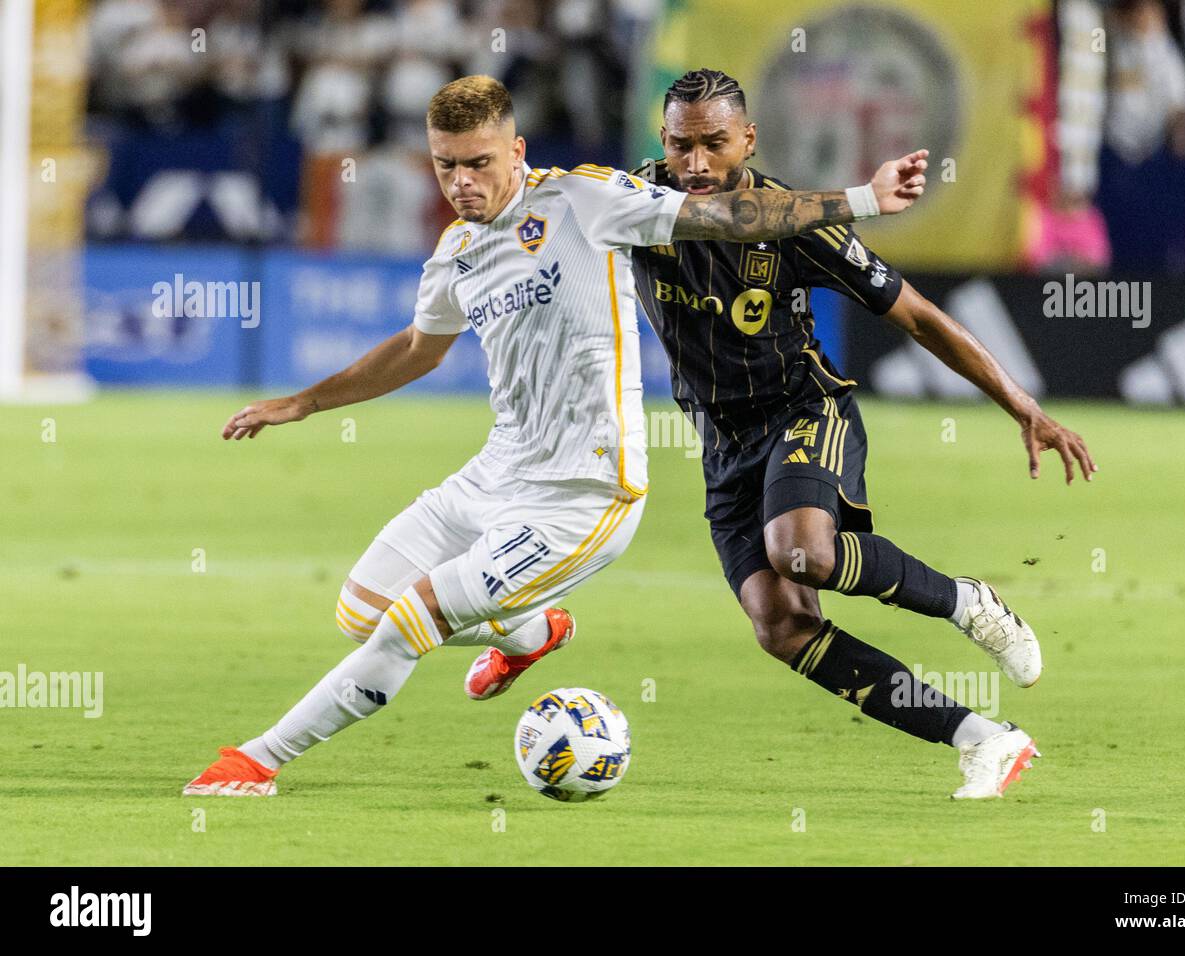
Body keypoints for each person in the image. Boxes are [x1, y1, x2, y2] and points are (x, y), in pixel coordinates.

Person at [182, 74, 929, 796]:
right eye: (447, 166)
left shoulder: (583, 200)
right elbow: (418, 348)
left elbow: (726, 217)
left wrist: (864, 197)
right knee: (360, 611)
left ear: (516, 151)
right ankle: (532, 633)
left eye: (479, 162)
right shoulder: (456, 252)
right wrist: (305, 403)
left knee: (412, 620)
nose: (462, 182)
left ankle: (257, 761)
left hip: (585, 491)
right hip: (495, 474)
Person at [631, 69, 1098, 799]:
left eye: (713, 144)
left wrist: (1021, 406)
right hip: (722, 444)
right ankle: (985, 740)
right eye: (680, 145)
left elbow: (915, 316)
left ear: (747, 140)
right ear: (661, 141)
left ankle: (966, 602)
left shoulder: (798, 223)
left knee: (802, 554)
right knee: (781, 626)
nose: (694, 164)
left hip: (803, 410)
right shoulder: (630, 204)